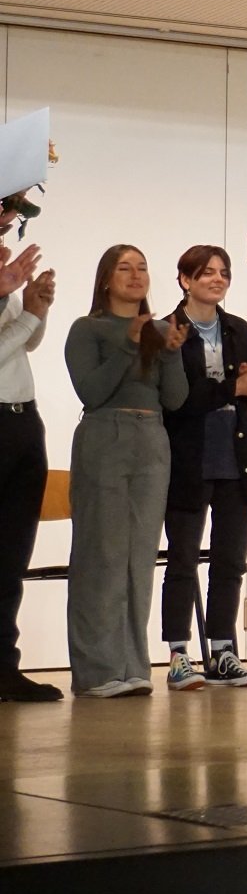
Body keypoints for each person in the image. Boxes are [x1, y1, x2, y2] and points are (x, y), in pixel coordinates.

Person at [63, 244, 189, 697]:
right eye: (124, 268)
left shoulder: (161, 329)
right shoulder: (88, 328)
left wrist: (170, 352)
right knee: (102, 554)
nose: (136, 275)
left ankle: (133, 666)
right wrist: (129, 345)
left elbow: (175, 399)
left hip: (151, 438)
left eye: (142, 267)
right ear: (105, 279)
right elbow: (91, 392)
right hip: (106, 434)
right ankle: (98, 671)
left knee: (139, 557)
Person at [159, 245, 247, 690]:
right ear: (185, 280)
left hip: (236, 459)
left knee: (229, 561)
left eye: (223, 272)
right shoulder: (168, 330)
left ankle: (223, 652)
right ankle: (178, 654)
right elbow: (177, 401)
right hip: (188, 461)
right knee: (183, 560)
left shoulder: (237, 328)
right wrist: (233, 387)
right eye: (207, 272)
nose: (217, 279)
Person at [0, 238, 60, 702]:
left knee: (12, 554)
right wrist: (27, 316)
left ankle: (4, 666)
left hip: (23, 418)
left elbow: (25, 344)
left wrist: (35, 308)